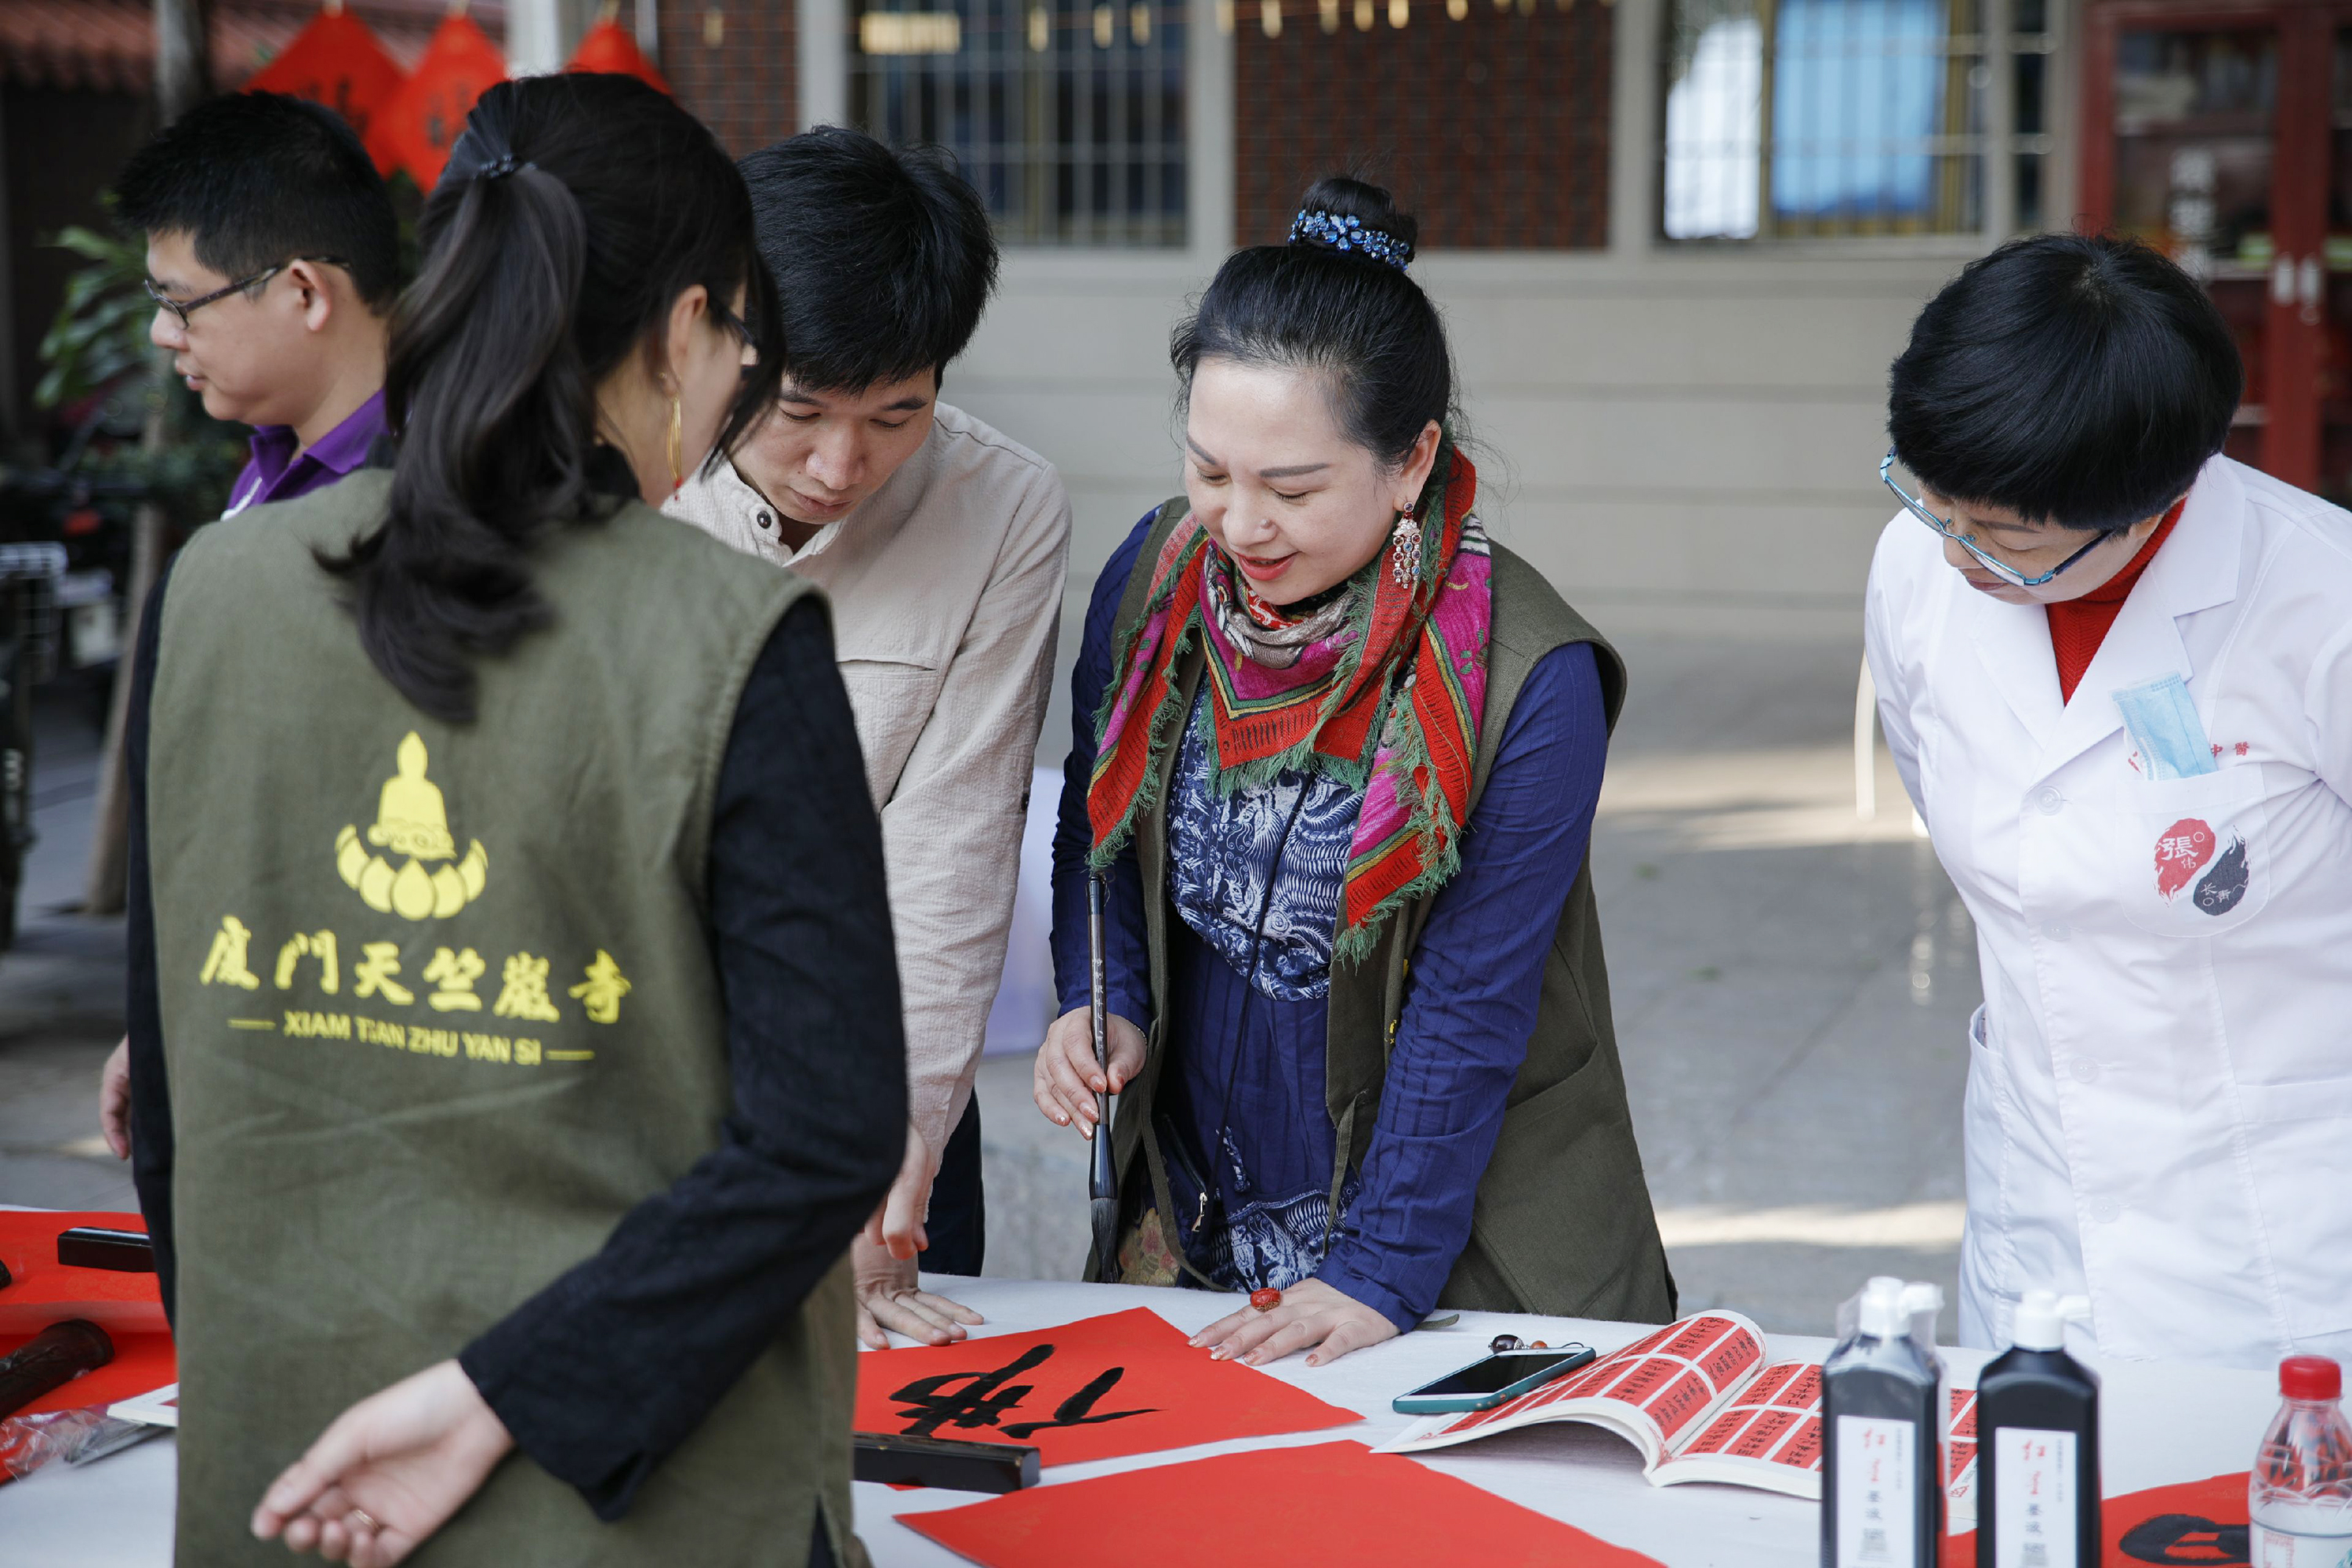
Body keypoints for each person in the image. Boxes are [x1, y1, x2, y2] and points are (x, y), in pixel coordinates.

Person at [125, 75, 903, 1566]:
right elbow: (824, 1135)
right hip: (640, 1493)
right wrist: (507, 1395)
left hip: (296, 1475)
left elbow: (172, 1111)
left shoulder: (214, 594)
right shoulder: (730, 635)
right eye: (745, 347)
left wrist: (265, 1396)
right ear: (686, 328)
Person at [1034, 177, 1675, 1370]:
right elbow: (1097, 818)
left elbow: (1471, 1002)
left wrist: (1381, 1266)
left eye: (1292, 489)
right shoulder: (1155, 581)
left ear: (1412, 459)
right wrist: (1097, 989)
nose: (1239, 525)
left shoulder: (1530, 678)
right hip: (1193, 1193)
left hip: (1445, 1221)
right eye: (1209, 471)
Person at [1867, 233, 2352, 1368]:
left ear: (2153, 505)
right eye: (1936, 504)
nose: (1959, 555)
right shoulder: (1916, 568)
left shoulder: (2320, 601)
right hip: (2040, 1210)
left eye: (2010, 538)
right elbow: (1938, 786)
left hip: (2287, 1234)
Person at [667, 127, 1070, 1349]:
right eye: (799, 410)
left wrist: (888, 1149)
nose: (842, 464)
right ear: (710, 334)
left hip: (882, 1072)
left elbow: (954, 842)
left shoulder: (1003, 507)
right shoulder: (616, 479)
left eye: (899, 415)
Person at [99, 89, 402, 1156]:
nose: (162, 333)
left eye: (182, 303)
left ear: (305, 291)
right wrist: (161, 1012)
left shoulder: (424, 507)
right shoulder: (273, 466)